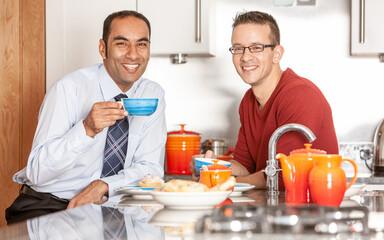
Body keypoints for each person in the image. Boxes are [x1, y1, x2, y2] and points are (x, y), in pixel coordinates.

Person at [6, 10, 167, 224]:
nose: (133, 54)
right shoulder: (69, 89)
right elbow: (37, 173)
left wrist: (105, 185)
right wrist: (86, 129)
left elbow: (151, 167)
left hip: (107, 206)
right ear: (103, 48)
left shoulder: (152, 94)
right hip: (49, 205)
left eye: (141, 44)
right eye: (122, 43)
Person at [191, 11, 338, 190]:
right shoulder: (248, 101)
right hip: (273, 208)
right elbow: (245, 166)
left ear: (276, 54)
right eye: (238, 48)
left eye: (256, 47)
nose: (245, 57)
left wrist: (223, 182)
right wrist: (212, 167)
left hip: (310, 210)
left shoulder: (299, 95)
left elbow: (284, 175)